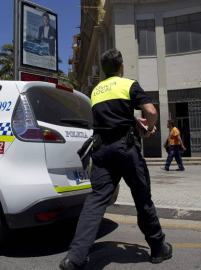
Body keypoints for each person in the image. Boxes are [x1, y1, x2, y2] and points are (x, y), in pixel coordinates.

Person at [59, 49, 172, 270]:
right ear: (121, 66)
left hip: (101, 152)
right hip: (125, 149)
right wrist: (147, 128)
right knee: (142, 198)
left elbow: (110, 116)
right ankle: (158, 249)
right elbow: (151, 111)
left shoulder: (96, 91)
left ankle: (74, 258)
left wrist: (131, 121)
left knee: (95, 202)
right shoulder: (128, 84)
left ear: (103, 70)